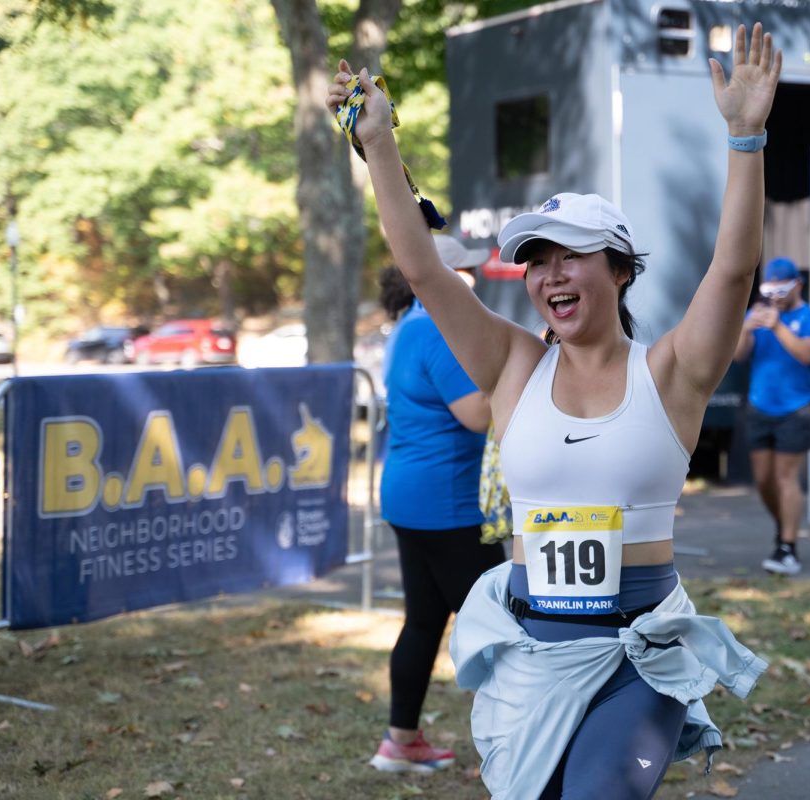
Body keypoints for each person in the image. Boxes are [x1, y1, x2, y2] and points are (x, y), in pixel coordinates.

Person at [328, 22, 778, 798]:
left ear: (619, 270)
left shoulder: (670, 374)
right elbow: (425, 272)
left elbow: (734, 270)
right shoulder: (513, 366)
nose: (550, 274)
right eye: (536, 259)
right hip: (530, 658)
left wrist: (745, 138)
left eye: (571, 254)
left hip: (637, 658)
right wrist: (379, 146)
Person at [370, 234, 507, 773]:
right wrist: (529, 371)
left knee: (424, 621)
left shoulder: (408, 327)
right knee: (501, 633)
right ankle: (518, 750)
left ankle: (399, 742)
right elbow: (478, 413)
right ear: (435, 276)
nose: (474, 281)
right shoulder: (435, 329)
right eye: (466, 271)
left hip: (410, 497)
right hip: (446, 505)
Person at [732, 257, 810, 575]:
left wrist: (777, 326)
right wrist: (745, 329)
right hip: (760, 407)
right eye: (770, 290)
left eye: (782, 289)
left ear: (797, 285)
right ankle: (785, 528)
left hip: (795, 409)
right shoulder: (755, 315)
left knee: (786, 478)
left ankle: (788, 548)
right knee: (764, 481)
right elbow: (739, 356)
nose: (775, 297)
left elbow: (806, 354)